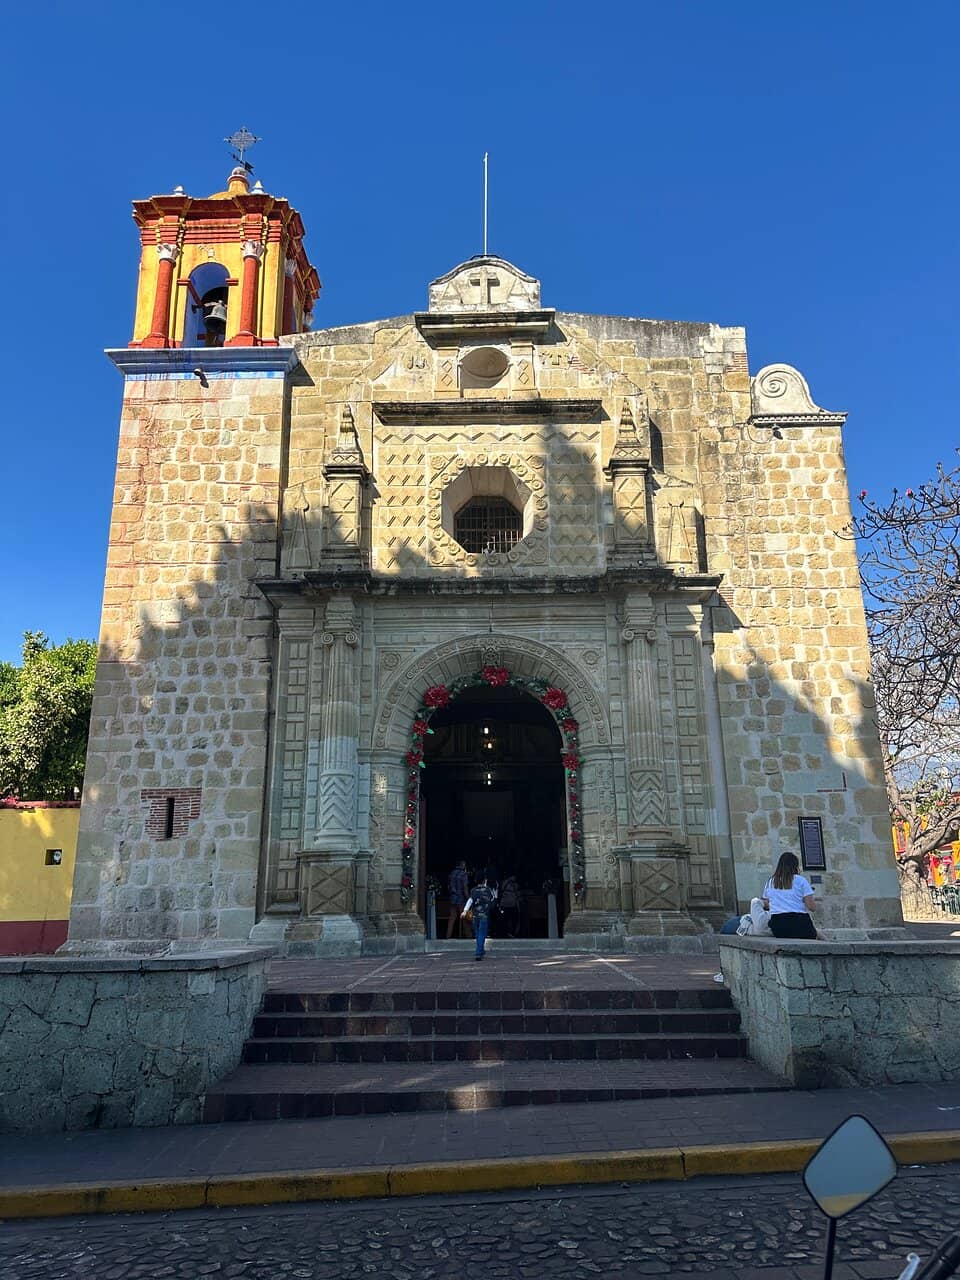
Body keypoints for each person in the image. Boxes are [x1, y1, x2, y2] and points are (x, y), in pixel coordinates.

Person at [761, 851, 818, 939]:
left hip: (778, 925)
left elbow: (766, 904)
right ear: (795, 866)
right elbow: (812, 907)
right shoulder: (801, 880)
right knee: (815, 933)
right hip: (799, 923)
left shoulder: (770, 881)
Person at [462, 875, 497, 961]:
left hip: (475, 915)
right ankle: (478, 952)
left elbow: (470, 901)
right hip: (484, 914)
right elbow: (493, 901)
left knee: (477, 934)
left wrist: (465, 911)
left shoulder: (473, 890)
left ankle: (481, 950)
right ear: (485, 881)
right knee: (482, 934)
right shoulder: (488, 890)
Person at [446, 860, 469, 940]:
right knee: (464, 917)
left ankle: (448, 936)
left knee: (452, 917)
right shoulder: (464, 874)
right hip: (461, 898)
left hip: (453, 898)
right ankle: (468, 936)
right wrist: (468, 898)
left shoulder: (452, 873)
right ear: (462, 865)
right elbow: (465, 888)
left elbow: (448, 886)